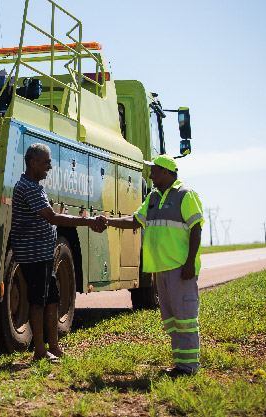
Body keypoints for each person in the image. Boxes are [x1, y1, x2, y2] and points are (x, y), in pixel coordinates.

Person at [102, 154, 203, 377]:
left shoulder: (185, 195)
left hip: (180, 269)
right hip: (161, 269)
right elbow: (135, 221)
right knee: (171, 320)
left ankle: (189, 368)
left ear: (166, 172)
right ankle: (180, 365)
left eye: (154, 171)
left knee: (185, 319)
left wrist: (189, 263)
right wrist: (109, 221)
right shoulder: (154, 197)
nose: (150, 175)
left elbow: (196, 228)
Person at [12, 143, 107, 363]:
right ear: (33, 162)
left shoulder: (35, 185)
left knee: (52, 299)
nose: (50, 166)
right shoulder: (27, 187)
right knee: (37, 302)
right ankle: (39, 351)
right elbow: (53, 218)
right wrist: (89, 220)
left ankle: (54, 347)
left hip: (44, 255)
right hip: (33, 255)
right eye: (46, 162)